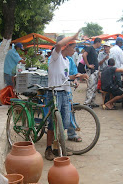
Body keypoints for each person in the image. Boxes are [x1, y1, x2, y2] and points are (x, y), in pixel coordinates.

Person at [44, 31, 83, 161]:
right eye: (73, 47)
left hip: (65, 93)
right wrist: (72, 37)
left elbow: (66, 78)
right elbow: (58, 44)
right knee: (52, 122)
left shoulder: (67, 61)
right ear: (66, 46)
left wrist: (77, 77)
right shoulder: (56, 57)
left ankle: (59, 147)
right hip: (54, 93)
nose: (75, 50)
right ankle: (49, 148)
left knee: (65, 122)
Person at [82, 37, 102, 108]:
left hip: (95, 70)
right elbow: (84, 55)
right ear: (98, 42)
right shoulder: (90, 48)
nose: (100, 45)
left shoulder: (94, 50)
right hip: (91, 71)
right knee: (91, 87)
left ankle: (92, 101)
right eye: (100, 43)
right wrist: (88, 65)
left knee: (94, 87)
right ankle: (87, 103)